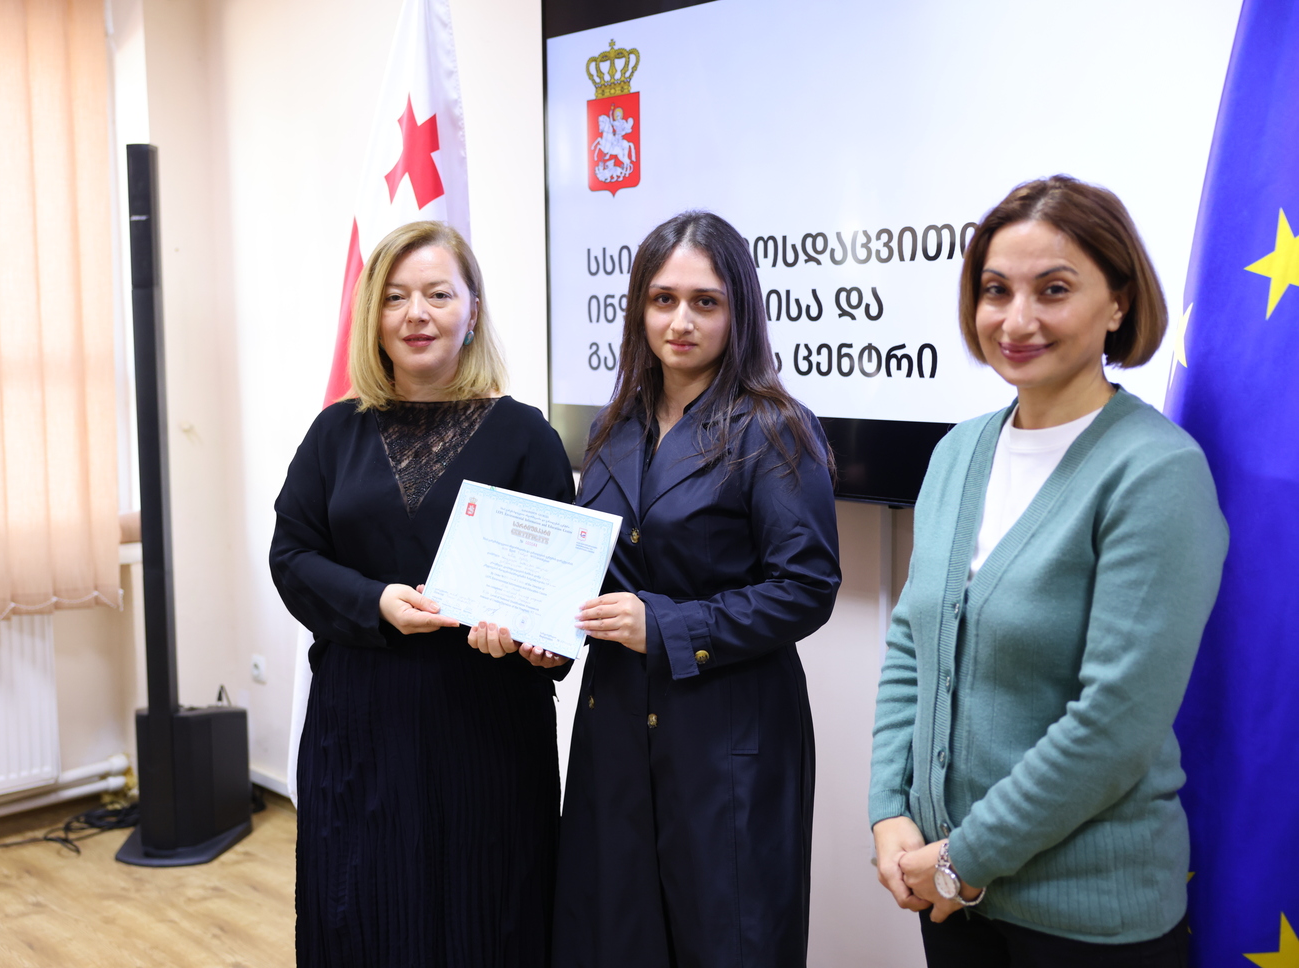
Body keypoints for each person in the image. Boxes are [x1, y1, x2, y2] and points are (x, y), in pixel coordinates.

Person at [868, 176, 1228, 966]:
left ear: (1119, 303)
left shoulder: (1156, 472)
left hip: (1086, 920)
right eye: (996, 290)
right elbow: (910, 648)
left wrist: (967, 859)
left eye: (1053, 290)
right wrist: (889, 810)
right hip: (950, 900)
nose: (1016, 319)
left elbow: (1115, 723)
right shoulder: (957, 451)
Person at [269, 221, 572, 968]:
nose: (417, 314)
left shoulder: (526, 436)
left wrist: (538, 643)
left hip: (487, 725)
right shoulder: (334, 433)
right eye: (395, 297)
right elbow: (293, 555)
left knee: (489, 915)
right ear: (373, 314)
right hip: (359, 722)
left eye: (438, 294)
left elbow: (557, 599)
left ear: (472, 311)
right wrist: (376, 601)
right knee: (362, 911)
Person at [553, 211, 843, 967]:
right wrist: (536, 623)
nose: (680, 321)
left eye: (704, 302)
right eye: (663, 299)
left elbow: (806, 587)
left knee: (730, 940)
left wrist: (667, 627)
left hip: (728, 735)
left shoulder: (775, 427)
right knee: (615, 937)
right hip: (615, 727)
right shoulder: (611, 426)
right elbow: (590, 567)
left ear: (738, 310)